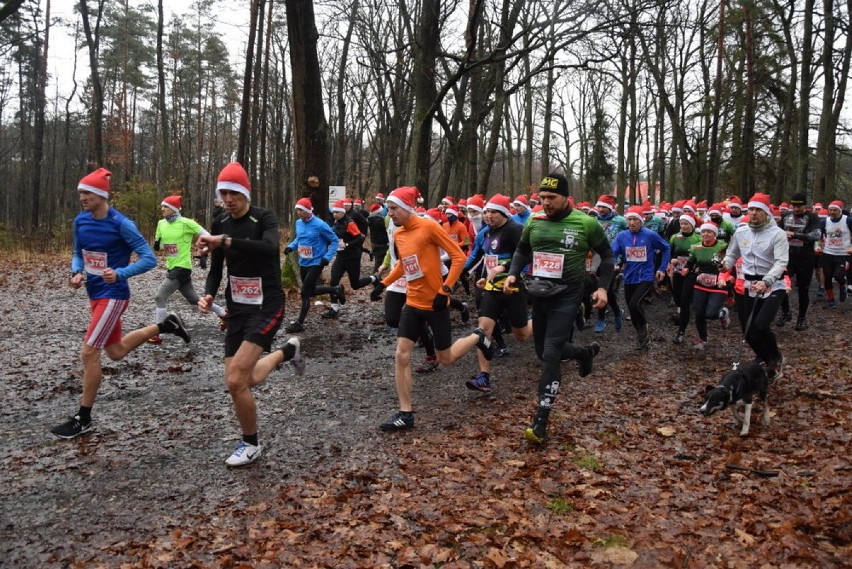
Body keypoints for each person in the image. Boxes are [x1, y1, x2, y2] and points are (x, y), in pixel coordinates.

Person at [51, 168, 190, 439]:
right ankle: (165, 325)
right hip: (94, 293)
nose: (82, 197)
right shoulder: (80, 221)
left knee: (90, 352)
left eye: (87, 192)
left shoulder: (121, 224)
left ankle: (83, 417)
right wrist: (76, 271)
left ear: (102, 195)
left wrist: (120, 273)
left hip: (114, 295)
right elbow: (77, 253)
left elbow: (149, 258)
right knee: (115, 351)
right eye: (80, 192)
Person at [197, 162, 305, 466]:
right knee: (245, 379)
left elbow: (269, 248)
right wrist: (208, 294)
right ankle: (288, 351)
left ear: (245, 193)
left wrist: (225, 241)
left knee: (234, 381)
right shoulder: (220, 223)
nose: (228, 199)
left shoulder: (264, 217)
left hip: (267, 305)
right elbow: (217, 268)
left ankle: (251, 444)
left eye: (233, 193)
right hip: (237, 308)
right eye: (223, 194)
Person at [369, 186, 495, 433]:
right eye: (389, 208)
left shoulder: (429, 227)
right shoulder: (398, 234)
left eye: (394, 208)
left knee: (445, 359)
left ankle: (478, 336)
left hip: (436, 303)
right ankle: (405, 413)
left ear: (406, 207)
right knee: (401, 354)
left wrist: (446, 290)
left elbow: (458, 257)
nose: (389, 212)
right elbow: (405, 265)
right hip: (413, 303)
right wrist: (382, 284)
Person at [503, 173, 613, 444]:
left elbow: (607, 256)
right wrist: (513, 273)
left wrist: (602, 287)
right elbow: (522, 250)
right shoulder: (534, 220)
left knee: (551, 352)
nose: (546, 203)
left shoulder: (586, 223)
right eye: (542, 198)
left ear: (566, 197)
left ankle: (541, 420)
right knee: (542, 352)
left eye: (551, 198)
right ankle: (584, 353)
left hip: (568, 295)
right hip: (540, 293)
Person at [462, 194, 531, 392]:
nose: (488, 215)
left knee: (522, 334)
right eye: (486, 211)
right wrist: (472, 273)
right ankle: (484, 377)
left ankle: (543, 321)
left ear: (503, 213)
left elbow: (527, 255)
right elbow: (483, 257)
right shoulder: (485, 232)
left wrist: (506, 268)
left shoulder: (515, 230)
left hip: (512, 287)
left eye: (493, 212)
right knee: (483, 330)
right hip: (492, 288)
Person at [722, 193, 789, 381]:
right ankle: (763, 357)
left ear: (767, 213)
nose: (753, 213)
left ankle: (775, 357)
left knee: (760, 325)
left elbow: (781, 261)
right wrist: (725, 264)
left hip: (773, 284)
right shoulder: (741, 232)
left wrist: (767, 280)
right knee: (748, 330)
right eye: (750, 209)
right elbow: (732, 254)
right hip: (749, 284)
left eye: (758, 210)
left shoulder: (777, 234)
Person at [149, 195, 227, 344]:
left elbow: (208, 236)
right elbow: (158, 244)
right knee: (194, 299)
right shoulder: (161, 224)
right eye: (162, 206)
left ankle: (157, 333)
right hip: (171, 267)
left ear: (173, 208)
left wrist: (204, 250)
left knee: (159, 296)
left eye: (165, 206)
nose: (162, 209)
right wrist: (157, 244)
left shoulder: (186, 223)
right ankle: (223, 313)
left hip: (182, 267)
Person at [611, 205, 671, 350]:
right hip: (629, 277)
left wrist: (662, 268)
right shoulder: (622, 236)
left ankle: (644, 328)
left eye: (635, 220)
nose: (632, 223)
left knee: (634, 304)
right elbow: (613, 252)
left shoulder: (650, 235)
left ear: (641, 221)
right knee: (633, 309)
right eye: (629, 219)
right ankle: (642, 335)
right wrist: (613, 263)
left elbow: (666, 247)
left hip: (646, 276)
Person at [283, 197, 339, 332]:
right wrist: (291, 246)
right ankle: (336, 289)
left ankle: (299, 323)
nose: (299, 213)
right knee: (311, 291)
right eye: (297, 210)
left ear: (308, 210)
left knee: (305, 293)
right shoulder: (298, 223)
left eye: (301, 210)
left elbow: (335, 241)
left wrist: (327, 257)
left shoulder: (320, 224)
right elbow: (299, 238)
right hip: (303, 261)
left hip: (317, 261)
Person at [681, 221, 729, 349]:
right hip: (701, 282)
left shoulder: (723, 246)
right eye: (703, 231)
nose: (706, 234)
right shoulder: (695, 247)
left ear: (715, 234)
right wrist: (686, 268)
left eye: (709, 232)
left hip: (718, 283)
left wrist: (728, 278)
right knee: (699, 312)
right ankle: (702, 340)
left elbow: (730, 264)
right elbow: (691, 262)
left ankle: (722, 313)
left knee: (711, 314)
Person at [323, 199, 374, 319]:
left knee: (355, 284)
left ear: (343, 212)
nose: (335, 214)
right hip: (341, 257)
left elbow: (360, 238)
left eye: (337, 212)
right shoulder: (336, 222)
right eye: (333, 212)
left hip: (353, 257)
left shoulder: (350, 223)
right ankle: (334, 307)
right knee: (333, 282)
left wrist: (347, 245)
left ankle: (374, 278)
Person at [778, 192, 821, 329]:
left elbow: (816, 235)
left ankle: (801, 318)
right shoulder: (786, 217)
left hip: (805, 259)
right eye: (794, 206)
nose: (796, 209)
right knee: (781, 286)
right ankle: (785, 312)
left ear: (805, 205)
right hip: (787, 257)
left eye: (799, 206)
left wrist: (795, 235)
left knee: (803, 290)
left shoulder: (812, 217)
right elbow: (775, 232)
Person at [593, 194, 627, 333]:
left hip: (613, 259)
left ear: (610, 208)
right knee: (600, 287)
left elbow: (627, 239)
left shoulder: (621, 221)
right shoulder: (593, 221)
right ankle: (616, 310)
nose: (600, 209)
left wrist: (624, 261)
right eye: (599, 206)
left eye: (603, 207)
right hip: (596, 259)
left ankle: (601, 318)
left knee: (605, 287)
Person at [669, 213, 701, 343]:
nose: (683, 226)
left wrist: (695, 264)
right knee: (677, 299)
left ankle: (681, 332)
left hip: (691, 272)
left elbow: (701, 254)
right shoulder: (674, 237)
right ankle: (681, 316)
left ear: (692, 225)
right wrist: (672, 260)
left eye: (686, 224)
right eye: (681, 223)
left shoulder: (697, 238)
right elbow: (670, 252)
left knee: (684, 300)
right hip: (677, 271)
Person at [817, 200, 852, 308]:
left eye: (835, 210)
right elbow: (819, 236)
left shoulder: (848, 220)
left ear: (840, 210)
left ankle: (842, 285)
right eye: (830, 210)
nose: (832, 212)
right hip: (828, 253)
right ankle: (831, 300)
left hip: (843, 253)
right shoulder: (825, 222)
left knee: (838, 275)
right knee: (827, 277)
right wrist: (817, 246)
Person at [367, 203, 389, 273]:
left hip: (374, 243)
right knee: (380, 262)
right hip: (382, 244)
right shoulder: (381, 221)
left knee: (378, 260)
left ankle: (376, 276)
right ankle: (375, 277)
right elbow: (386, 231)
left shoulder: (370, 220)